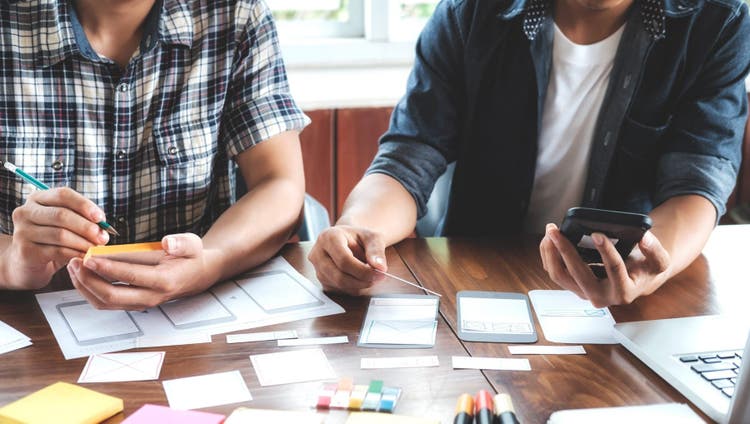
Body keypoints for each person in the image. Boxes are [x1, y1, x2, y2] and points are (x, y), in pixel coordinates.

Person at [309, 0, 750, 306]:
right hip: (480, 280)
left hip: (617, 291)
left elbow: (698, 182)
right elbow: (410, 155)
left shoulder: (717, 21)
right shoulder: (472, 12)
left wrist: (647, 267)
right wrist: (356, 230)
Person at [0, 0, 308, 310]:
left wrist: (210, 261)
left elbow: (279, 183)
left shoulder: (236, 15)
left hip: (190, 316)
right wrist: (10, 261)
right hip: (30, 323)